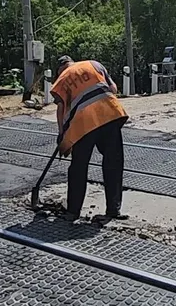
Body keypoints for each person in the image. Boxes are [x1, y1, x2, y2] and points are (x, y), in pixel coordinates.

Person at [51, 55, 129, 221]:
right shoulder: (94, 64)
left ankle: (73, 212)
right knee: (113, 163)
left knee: (79, 167)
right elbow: (113, 89)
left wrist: (62, 134)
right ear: (72, 62)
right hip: (110, 115)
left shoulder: (61, 80)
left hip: (84, 124)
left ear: (60, 70)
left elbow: (60, 109)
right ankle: (113, 210)